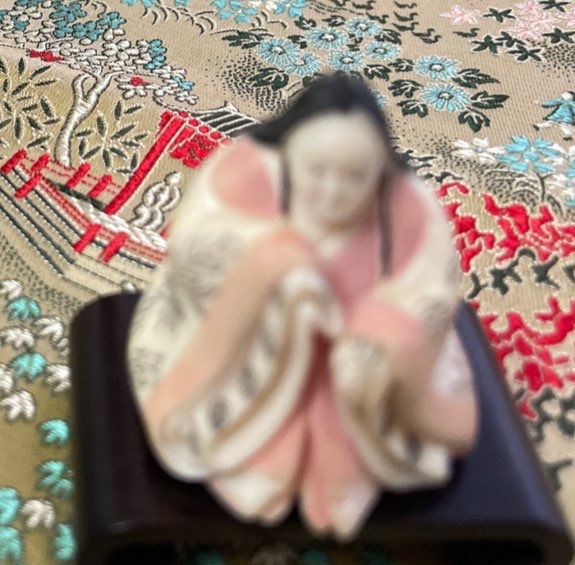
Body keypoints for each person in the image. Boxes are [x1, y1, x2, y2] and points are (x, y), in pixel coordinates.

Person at [127, 74, 478, 540]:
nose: (333, 192)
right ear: (290, 159)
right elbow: (193, 248)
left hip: (356, 375)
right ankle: (259, 454)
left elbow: (429, 290)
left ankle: (344, 463)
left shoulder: (407, 205)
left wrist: (382, 331)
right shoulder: (242, 173)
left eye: (355, 177)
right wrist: (278, 273)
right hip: (251, 357)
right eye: (316, 171)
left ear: (378, 171)